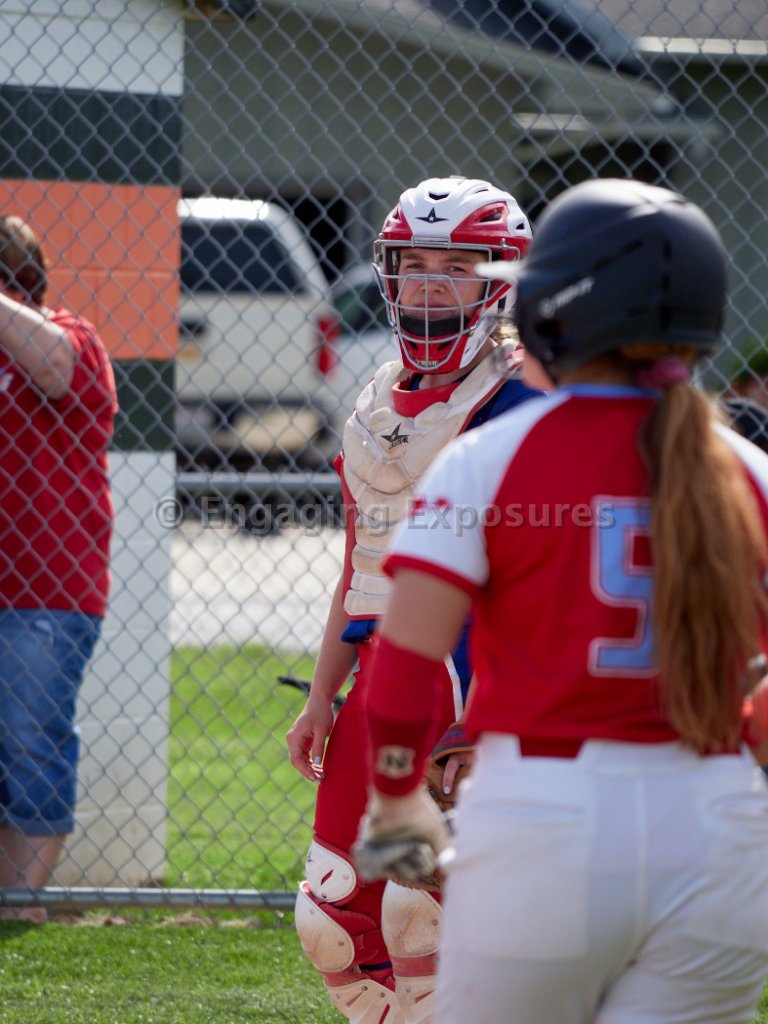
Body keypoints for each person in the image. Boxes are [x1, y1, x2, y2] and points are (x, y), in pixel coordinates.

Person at [354, 179, 768, 1024]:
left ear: (549, 310)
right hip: (721, 825)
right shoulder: (749, 471)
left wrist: (396, 796)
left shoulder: (490, 459)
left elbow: (402, 659)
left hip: (547, 819)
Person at [286, 175, 539, 1023]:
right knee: (330, 920)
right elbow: (360, 564)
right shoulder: (372, 402)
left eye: (456, 268)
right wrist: (323, 696)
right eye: (414, 265)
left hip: (473, 681)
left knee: (418, 906)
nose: (429, 287)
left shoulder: (525, 397)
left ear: (502, 280)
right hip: (383, 682)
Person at [0, 215, 117, 920]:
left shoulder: (72, 336)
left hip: (44, 588)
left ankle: (19, 900)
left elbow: (54, 370)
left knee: (28, 739)